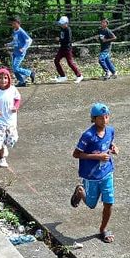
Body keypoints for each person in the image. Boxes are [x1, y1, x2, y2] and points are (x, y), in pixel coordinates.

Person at [70, 103, 118, 243]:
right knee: (91, 204)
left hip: (107, 172)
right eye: (101, 118)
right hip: (91, 175)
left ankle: (103, 229)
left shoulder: (110, 131)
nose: (104, 120)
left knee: (109, 202)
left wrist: (114, 148)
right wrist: (98, 157)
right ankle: (80, 191)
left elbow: (109, 143)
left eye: (106, 117)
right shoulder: (88, 136)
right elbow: (76, 154)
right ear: (94, 119)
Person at [54, 15, 83, 83]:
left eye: (62, 23)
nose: (61, 25)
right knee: (56, 60)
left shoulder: (68, 30)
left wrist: (59, 39)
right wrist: (59, 39)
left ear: (66, 23)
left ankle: (79, 76)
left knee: (70, 63)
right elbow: (62, 38)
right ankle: (63, 76)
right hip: (62, 48)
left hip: (67, 49)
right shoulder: (62, 29)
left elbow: (68, 40)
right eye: (61, 23)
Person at [8, 16, 35, 87]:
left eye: (14, 23)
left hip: (20, 53)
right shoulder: (14, 31)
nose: (13, 25)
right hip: (15, 52)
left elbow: (29, 40)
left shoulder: (21, 31)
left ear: (18, 23)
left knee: (15, 68)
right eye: (12, 23)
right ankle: (22, 81)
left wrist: (24, 48)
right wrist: (9, 44)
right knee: (14, 69)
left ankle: (30, 73)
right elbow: (15, 41)